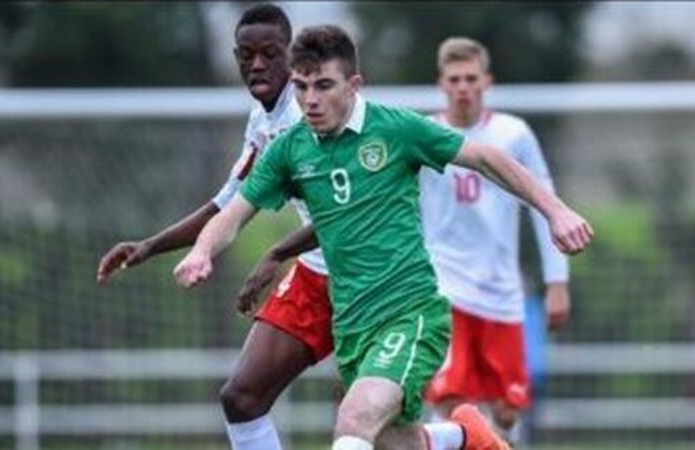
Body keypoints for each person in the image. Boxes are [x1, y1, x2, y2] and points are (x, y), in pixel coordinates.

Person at [173, 24, 593, 450]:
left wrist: (556, 212)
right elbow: (235, 212)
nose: (310, 100)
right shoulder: (289, 149)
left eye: (324, 85)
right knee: (396, 441)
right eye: (301, 86)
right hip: (352, 326)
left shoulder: (394, 129)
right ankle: (467, 436)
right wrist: (202, 251)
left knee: (354, 421)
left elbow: (484, 157)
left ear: (354, 85)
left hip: (410, 316)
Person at [96, 5, 334, 450]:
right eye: (246, 55)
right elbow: (228, 203)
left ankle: (459, 436)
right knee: (242, 399)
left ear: (292, 55)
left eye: (269, 53)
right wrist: (149, 246)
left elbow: (344, 212)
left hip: (369, 272)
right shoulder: (262, 122)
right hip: (318, 274)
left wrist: (276, 254)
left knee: (373, 426)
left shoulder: (314, 112)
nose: (257, 64)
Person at [421, 37, 571, 445]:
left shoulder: (513, 134)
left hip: (501, 291)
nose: (463, 87)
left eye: (471, 78)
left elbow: (545, 204)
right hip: (444, 290)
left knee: (507, 409)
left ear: (487, 80)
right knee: (451, 402)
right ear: (441, 83)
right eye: (454, 79)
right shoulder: (425, 134)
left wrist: (557, 281)